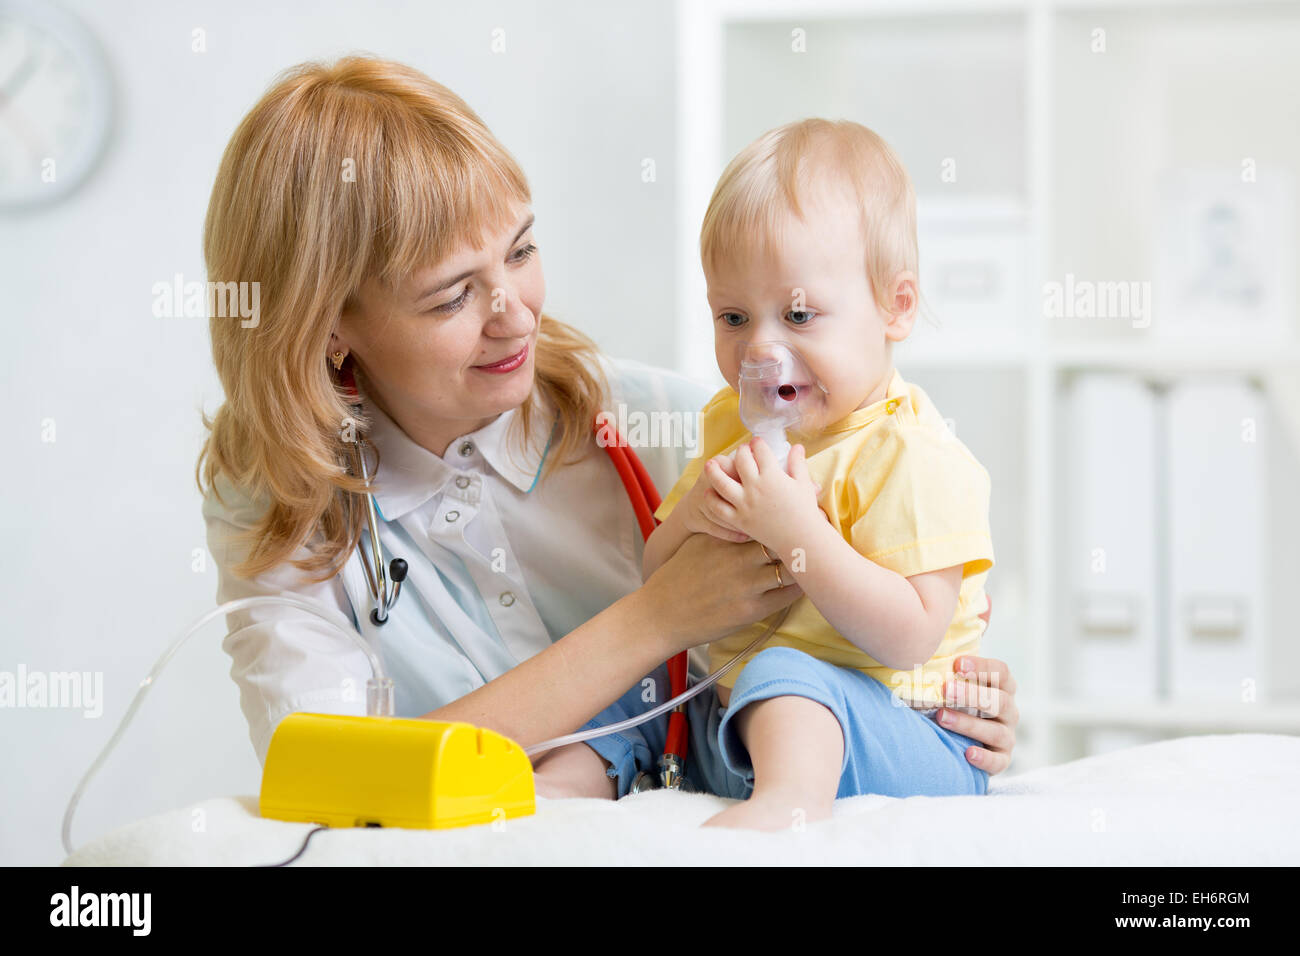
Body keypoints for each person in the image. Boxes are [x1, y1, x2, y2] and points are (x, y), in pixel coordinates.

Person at [196, 55, 1020, 806]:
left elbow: (894, 611)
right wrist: (654, 620)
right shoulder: (275, 504)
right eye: (452, 297)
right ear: (330, 326)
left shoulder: (652, 421)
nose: (516, 314)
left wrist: (952, 698)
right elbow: (328, 780)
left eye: (521, 252)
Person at [638, 119, 995, 830]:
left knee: (786, 673)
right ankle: (564, 785)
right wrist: (692, 516)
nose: (760, 349)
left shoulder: (909, 452)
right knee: (635, 672)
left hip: (898, 733)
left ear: (896, 308)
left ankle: (791, 804)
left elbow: (910, 636)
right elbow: (656, 581)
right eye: (733, 316)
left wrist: (799, 533)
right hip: (734, 724)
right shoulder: (727, 424)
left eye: (799, 315)